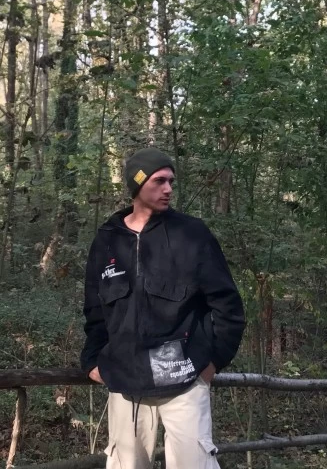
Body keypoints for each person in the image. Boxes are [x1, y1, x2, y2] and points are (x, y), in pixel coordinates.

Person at [81, 147, 245, 469]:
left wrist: (214, 361)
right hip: (125, 382)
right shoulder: (107, 240)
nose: (168, 189)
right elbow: (95, 308)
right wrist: (91, 359)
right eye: (159, 181)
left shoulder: (191, 234)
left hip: (184, 379)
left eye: (171, 181)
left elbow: (228, 304)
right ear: (137, 184)